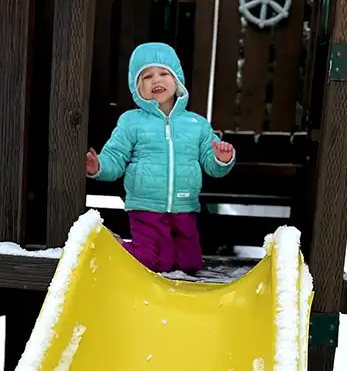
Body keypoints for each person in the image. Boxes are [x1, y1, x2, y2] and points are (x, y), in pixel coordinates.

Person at [86, 42, 236, 273]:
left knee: (190, 264)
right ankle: (112, 245)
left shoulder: (196, 124)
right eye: (147, 76)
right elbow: (115, 158)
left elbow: (211, 164)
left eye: (164, 73)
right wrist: (98, 166)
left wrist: (221, 159)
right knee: (153, 262)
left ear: (177, 81)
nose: (156, 80)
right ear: (137, 87)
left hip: (184, 206)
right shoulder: (131, 122)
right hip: (146, 206)